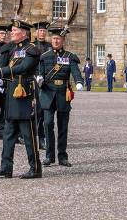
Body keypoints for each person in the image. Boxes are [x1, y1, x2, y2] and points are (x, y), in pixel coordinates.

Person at [0, 19, 43, 179]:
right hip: (12, 94)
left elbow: (23, 68)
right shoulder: (14, 49)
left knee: (28, 134)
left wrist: (1, 72)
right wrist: (1, 81)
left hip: (25, 94)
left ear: (24, 33)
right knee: (8, 133)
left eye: (14, 30)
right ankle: (6, 167)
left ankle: (35, 168)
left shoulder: (32, 49)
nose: (11, 33)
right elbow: (14, 70)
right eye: (11, 30)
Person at [38, 26, 84, 167]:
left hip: (63, 93)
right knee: (47, 124)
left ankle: (62, 156)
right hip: (47, 92)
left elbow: (75, 72)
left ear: (63, 40)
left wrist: (79, 82)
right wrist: (39, 78)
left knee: (63, 126)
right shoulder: (44, 57)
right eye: (53, 38)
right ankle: (49, 156)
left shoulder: (70, 57)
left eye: (58, 38)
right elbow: (40, 72)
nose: (56, 41)